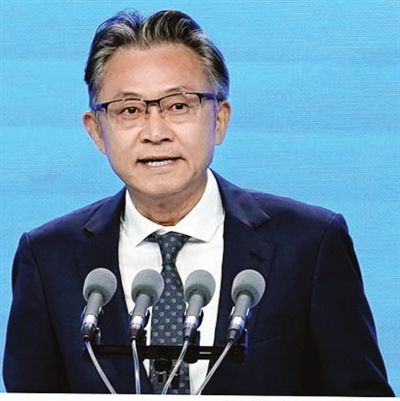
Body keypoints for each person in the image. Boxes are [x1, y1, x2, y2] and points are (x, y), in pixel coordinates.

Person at [3, 9, 394, 396]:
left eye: (178, 105)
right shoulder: (48, 258)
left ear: (219, 119)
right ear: (96, 131)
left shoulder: (309, 244)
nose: (155, 132)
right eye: (130, 110)